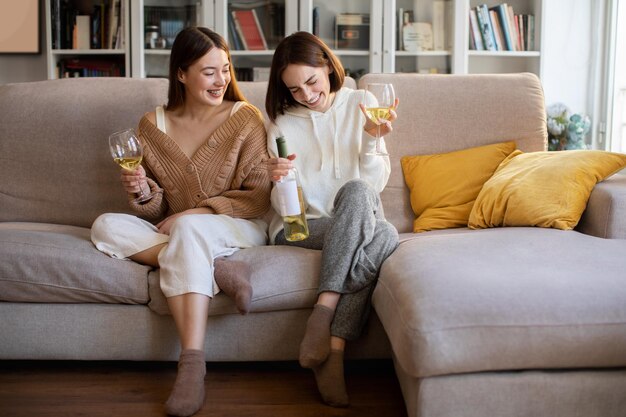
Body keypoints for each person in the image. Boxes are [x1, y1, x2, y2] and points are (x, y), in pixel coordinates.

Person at [91, 27, 271, 417]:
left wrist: (196, 213)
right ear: (181, 74)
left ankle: (191, 364)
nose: (221, 80)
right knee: (105, 225)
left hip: (235, 225)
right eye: (209, 72)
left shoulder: (245, 119)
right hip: (185, 233)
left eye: (225, 69)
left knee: (188, 229)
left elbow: (258, 196)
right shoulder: (151, 127)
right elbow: (158, 212)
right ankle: (216, 268)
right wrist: (142, 192)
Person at [264, 31, 400, 407]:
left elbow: (373, 186)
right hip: (300, 228)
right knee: (382, 235)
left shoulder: (362, 102)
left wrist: (373, 140)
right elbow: (286, 209)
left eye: (311, 81)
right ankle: (329, 326)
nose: (306, 95)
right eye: (294, 89)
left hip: (356, 217)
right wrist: (279, 181)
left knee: (374, 214)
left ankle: (330, 344)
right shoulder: (281, 124)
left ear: (327, 64)